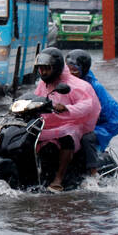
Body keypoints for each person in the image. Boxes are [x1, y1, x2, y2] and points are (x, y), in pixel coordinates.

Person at [33, 47, 101, 192]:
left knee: (67, 136)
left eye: (46, 69)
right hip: (49, 124)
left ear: (56, 68)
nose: (43, 72)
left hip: (74, 124)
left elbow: (87, 105)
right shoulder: (42, 84)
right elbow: (35, 98)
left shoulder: (76, 85)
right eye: (41, 69)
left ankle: (59, 178)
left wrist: (67, 109)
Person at [65, 50, 118, 180]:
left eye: (74, 70)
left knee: (87, 138)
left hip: (105, 124)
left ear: (83, 69)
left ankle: (92, 173)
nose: (71, 73)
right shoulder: (63, 82)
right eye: (68, 69)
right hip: (79, 122)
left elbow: (100, 112)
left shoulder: (93, 87)